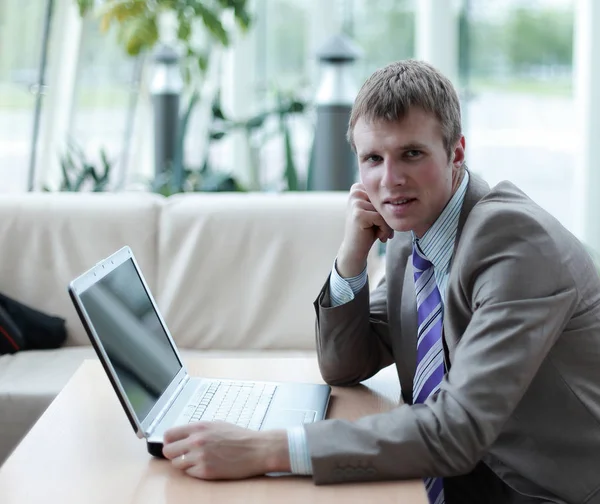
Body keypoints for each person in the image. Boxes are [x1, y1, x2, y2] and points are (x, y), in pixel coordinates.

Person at [161, 60, 600, 504]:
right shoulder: (414, 235)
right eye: (373, 158)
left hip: (542, 492)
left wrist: (266, 448)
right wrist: (352, 256)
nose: (390, 181)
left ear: (457, 153)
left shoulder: (514, 243)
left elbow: (457, 429)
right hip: (467, 477)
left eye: (411, 153)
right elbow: (347, 364)